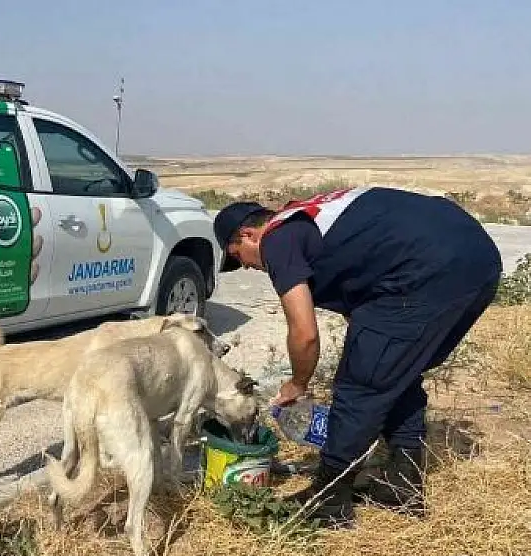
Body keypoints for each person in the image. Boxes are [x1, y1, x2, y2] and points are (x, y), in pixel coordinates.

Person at [213, 186, 502, 527]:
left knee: (361, 383)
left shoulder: (278, 239)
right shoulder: (311, 217)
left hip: (427, 270)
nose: (246, 268)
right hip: (477, 260)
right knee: (394, 371)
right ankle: (401, 483)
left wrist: (298, 383)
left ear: (248, 235)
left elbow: (304, 333)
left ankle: (329, 499)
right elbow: (365, 284)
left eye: (238, 256)